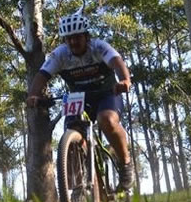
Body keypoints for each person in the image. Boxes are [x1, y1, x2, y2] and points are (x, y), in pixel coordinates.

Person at [26, 12, 135, 191]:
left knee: (106, 120)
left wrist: (124, 81)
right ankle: (79, 189)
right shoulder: (60, 55)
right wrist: (33, 95)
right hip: (78, 98)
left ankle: (125, 165)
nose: (73, 42)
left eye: (77, 37)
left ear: (86, 36)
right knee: (71, 134)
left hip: (106, 94)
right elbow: (41, 76)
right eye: (68, 39)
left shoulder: (99, 47)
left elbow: (117, 62)